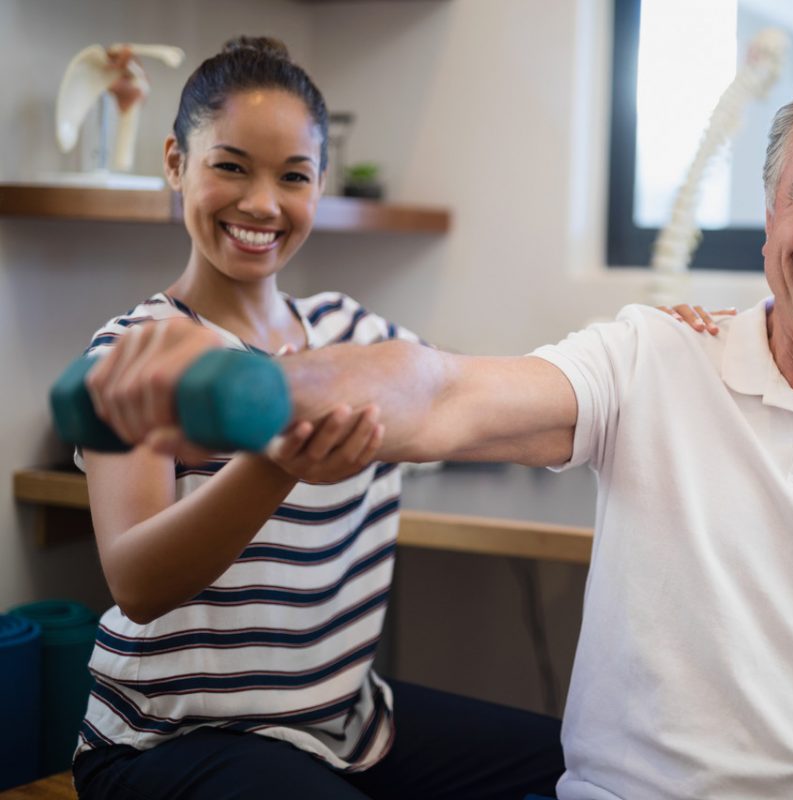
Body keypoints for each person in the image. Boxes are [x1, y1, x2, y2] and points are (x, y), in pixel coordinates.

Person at [84, 63, 793, 799]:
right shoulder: (651, 356)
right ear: (770, 211)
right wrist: (227, 395)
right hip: (190, 739)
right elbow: (437, 389)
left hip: (340, 715)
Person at [70, 36, 571, 800]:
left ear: (320, 184)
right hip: (167, 742)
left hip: (342, 722)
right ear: (176, 162)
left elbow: (476, 404)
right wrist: (275, 465)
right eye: (230, 165)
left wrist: (660, 353)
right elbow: (136, 582)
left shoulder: (357, 335)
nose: (262, 203)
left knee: (589, 765)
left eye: (293, 176)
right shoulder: (135, 354)